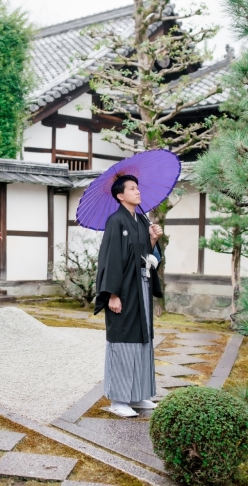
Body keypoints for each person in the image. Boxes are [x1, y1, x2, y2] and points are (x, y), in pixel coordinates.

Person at [94, 174, 164, 418]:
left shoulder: (141, 220)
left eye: (137, 187)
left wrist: (153, 239)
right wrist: (112, 294)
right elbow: (111, 258)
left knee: (142, 338)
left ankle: (138, 394)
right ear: (120, 195)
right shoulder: (116, 220)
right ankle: (119, 399)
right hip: (123, 290)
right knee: (123, 339)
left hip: (141, 288)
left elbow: (147, 255)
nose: (137, 191)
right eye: (131, 188)